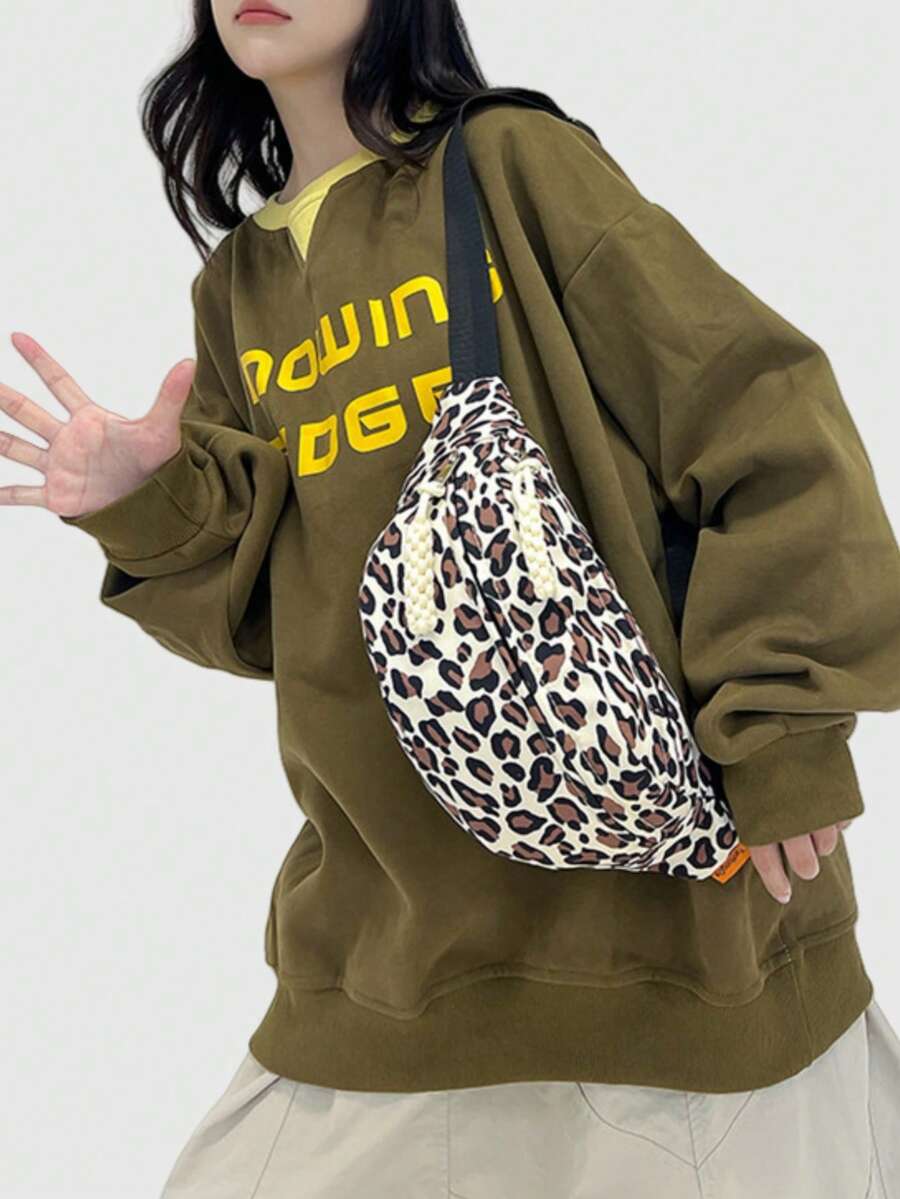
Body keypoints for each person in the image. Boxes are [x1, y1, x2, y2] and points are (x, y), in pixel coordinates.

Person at [2, 1, 899, 1196]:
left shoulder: (513, 165)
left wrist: (786, 733)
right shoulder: (239, 285)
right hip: (383, 960)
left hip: (676, 956)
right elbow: (281, 618)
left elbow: (759, 413)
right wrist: (143, 499)